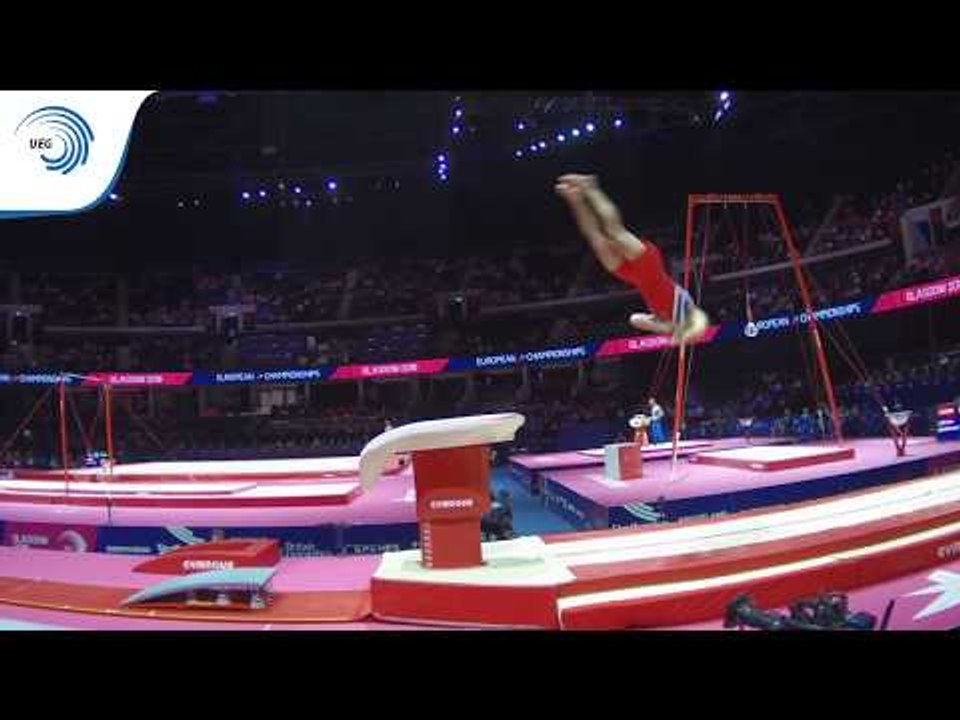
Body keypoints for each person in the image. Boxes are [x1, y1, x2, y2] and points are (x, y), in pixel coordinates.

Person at [555, 174, 709, 343]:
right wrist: (676, 331)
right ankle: (591, 187)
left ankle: (575, 199)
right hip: (649, 265)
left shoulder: (663, 322)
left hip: (632, 276)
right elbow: (699, 326)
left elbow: (634, 319)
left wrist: (664, 328)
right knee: (614, 232)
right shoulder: (688, 308)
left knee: (596, 239)